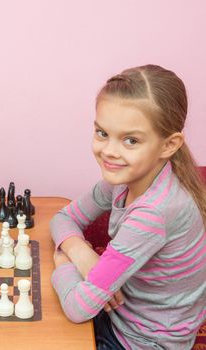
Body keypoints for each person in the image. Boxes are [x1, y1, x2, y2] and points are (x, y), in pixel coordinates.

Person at [50, 65, 206, 349]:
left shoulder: (154, 213)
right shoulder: (126, 178)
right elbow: (62, 218)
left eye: (130, 140)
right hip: (119, 318)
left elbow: (78, 308)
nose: (109, 150)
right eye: (102, 133)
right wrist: (83, 255)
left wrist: (63, 262)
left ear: (169, 144)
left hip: (140, 343)